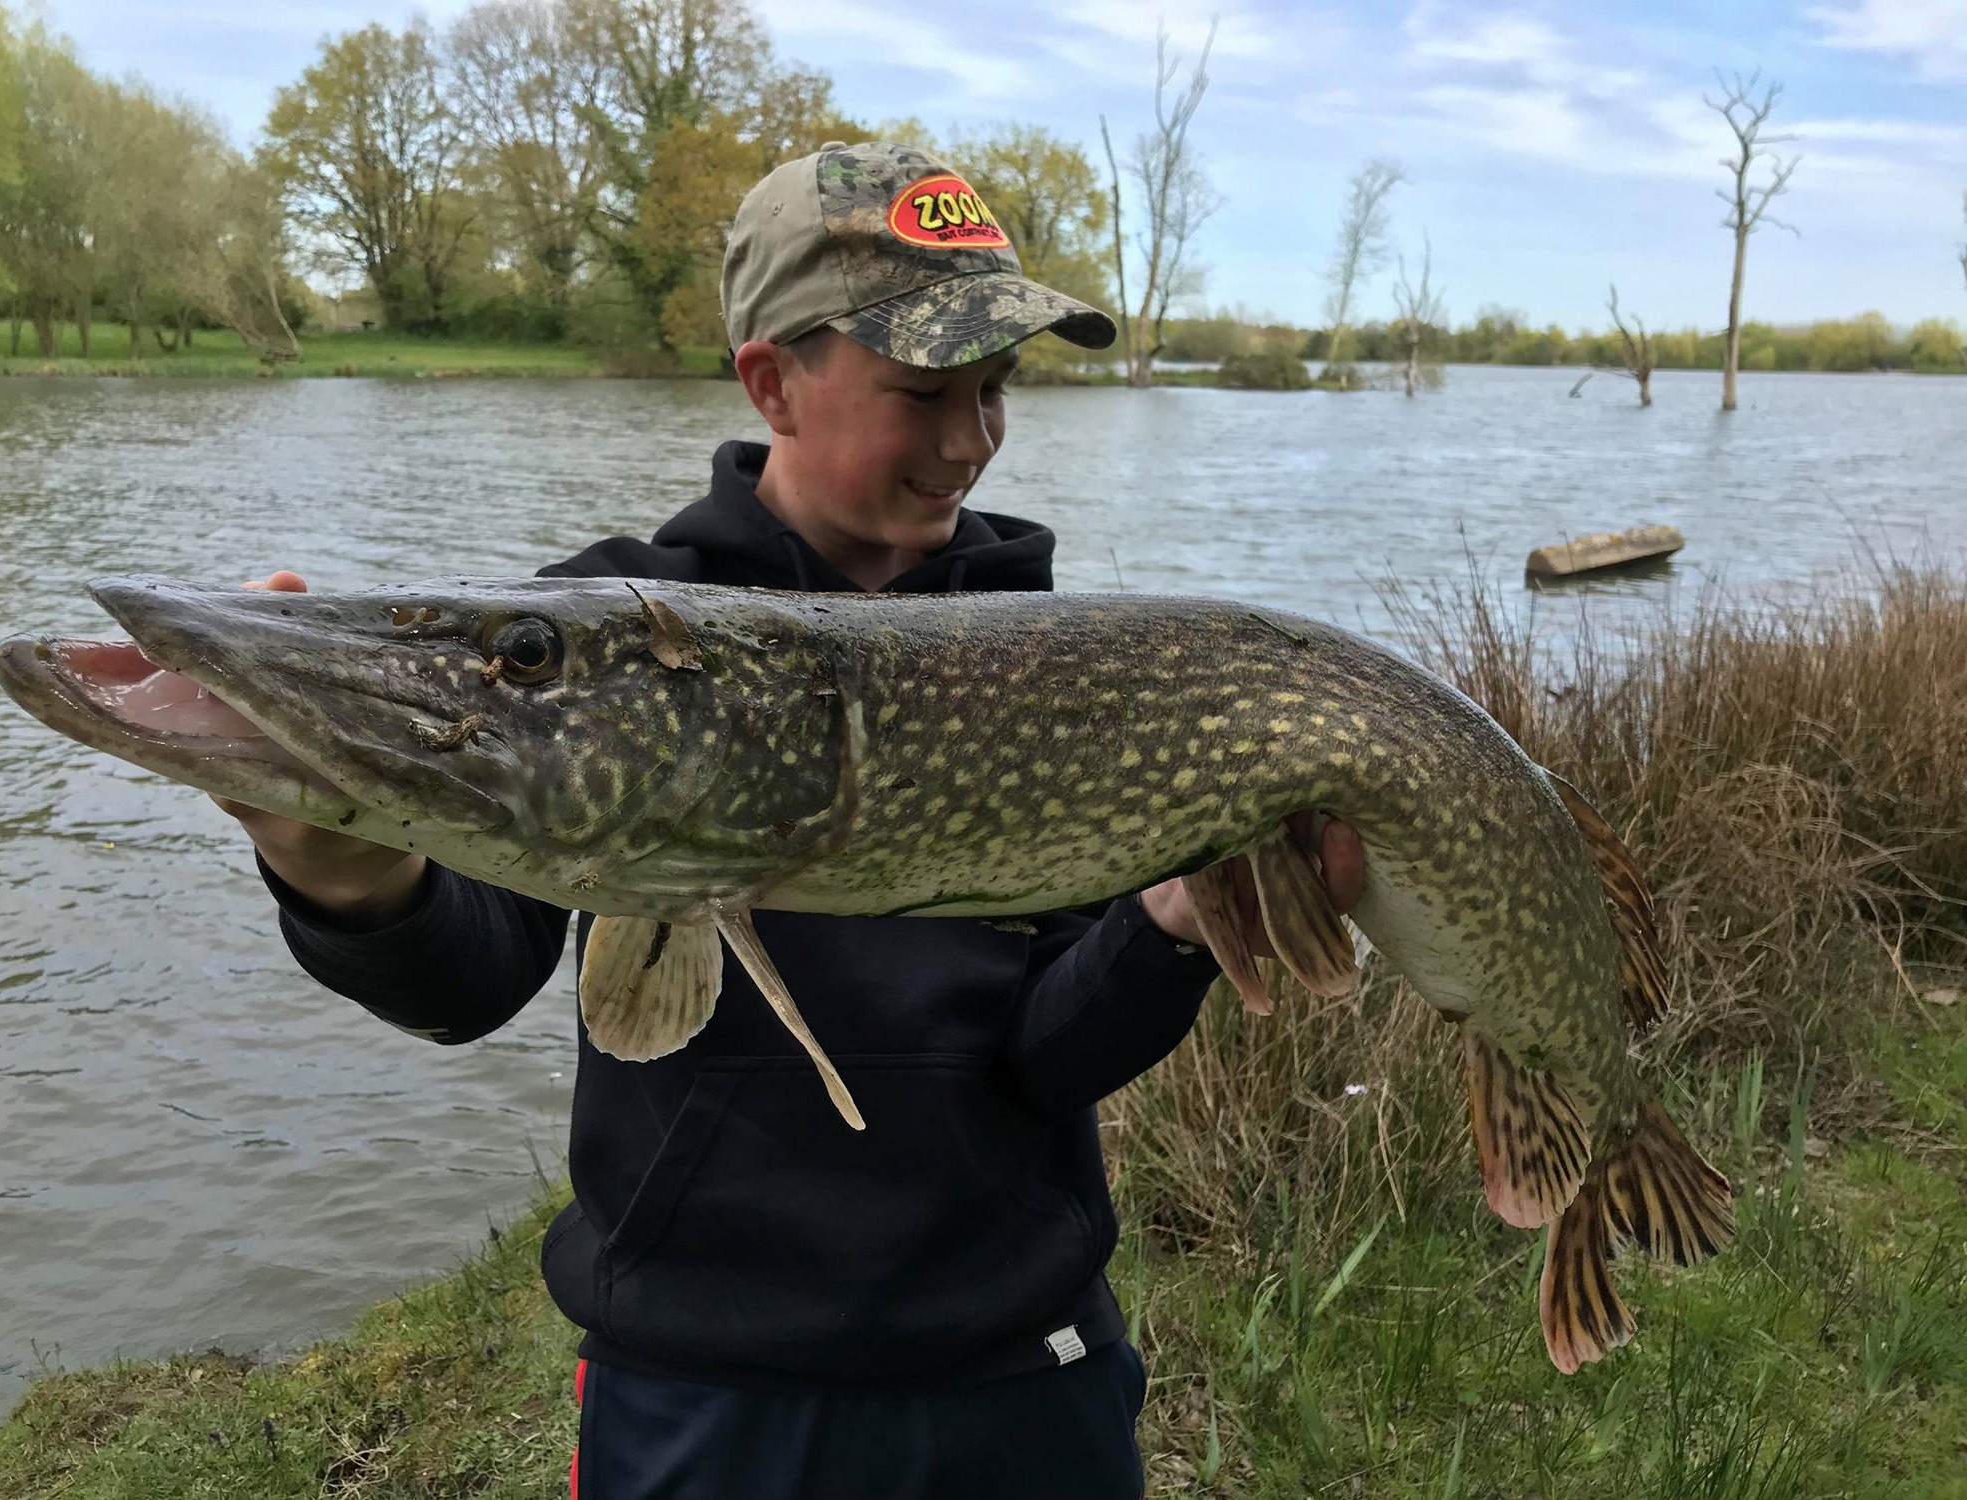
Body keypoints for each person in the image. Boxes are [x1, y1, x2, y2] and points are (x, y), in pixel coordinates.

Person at [222, 141, 1365, 1499]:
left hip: (1020, 1367)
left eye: (994, 389)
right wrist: (349, 879)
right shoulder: (601, 631)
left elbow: (1049, 1058)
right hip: (707, 1387)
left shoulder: (1060, 668)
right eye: (924, 389)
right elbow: (469, 973)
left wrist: (1172, 927)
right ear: (771, 379)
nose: (969, 440)